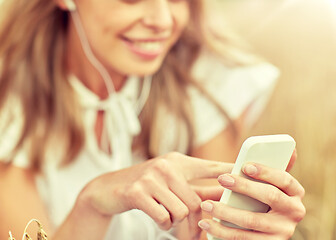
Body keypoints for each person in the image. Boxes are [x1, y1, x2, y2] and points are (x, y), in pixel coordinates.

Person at [0, 0, 305, 239]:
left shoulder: (207, 82)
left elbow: (205, 231)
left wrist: (248, 232)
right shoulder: (11, 109)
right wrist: (91, 204)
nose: (162, 21)